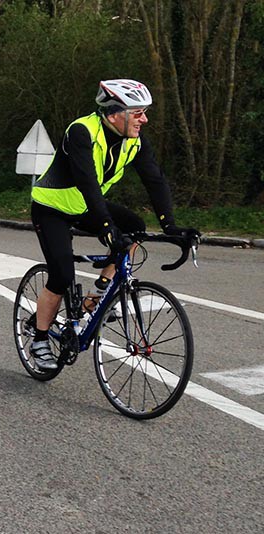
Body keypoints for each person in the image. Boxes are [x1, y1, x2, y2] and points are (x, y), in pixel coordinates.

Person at [28, 79, 199, 370]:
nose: (144, 119)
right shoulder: (82, 131)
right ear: (114, 113)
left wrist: (170, 226)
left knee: (135, 227)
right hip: (52, 208)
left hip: (86, 206)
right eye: (138, 112)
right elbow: (87, 182)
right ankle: (40, 338)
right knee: (62, 273)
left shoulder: (135, 140)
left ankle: (98, 297)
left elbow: (154, 180)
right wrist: (106, 226)